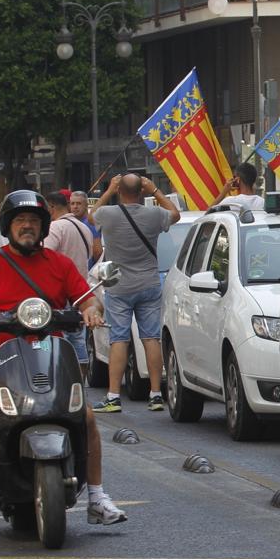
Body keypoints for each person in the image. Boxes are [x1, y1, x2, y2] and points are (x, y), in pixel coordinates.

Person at [0, 190, 127, 532]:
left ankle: (98, 498)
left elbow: (88, 299)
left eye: (33, 221)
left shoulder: (59, 264)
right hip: (0, 355)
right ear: (7, 226)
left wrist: (90, 311)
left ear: (44, 227)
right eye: (19, 220)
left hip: (50, 353)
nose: (27, 226)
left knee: (85, 418)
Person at [90, 173, 180, 412]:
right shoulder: (154, 214)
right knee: (151, 338)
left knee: (119, 338)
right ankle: (156, 394)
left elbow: (92, 215)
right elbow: (175, 214)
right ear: (142, 191)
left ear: (120, 191)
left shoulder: (108, 215)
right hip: (149, 283)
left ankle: (113, 396)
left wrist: (108, 190)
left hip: (118, 286)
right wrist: (155, 191)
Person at [44, 191, 95, 376]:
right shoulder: (84, 228)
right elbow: (90, 256)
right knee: (78, 337)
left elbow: (44, 257)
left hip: (59, 291)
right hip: (80, 291)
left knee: (57, 336)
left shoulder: (55, 228)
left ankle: (59, 376)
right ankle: (80, 378)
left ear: (51, 207)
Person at [68, 191, 104, 268]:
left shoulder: (90, 223)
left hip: (88, 272)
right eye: (72, 203)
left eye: (79, 203)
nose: (75, 206)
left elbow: (97, 252)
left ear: (86, 206)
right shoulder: (69, 222)